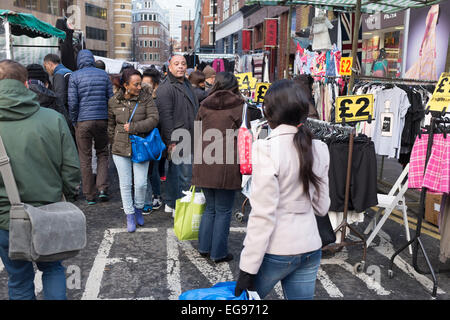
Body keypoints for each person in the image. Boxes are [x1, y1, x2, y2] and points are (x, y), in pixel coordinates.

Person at [235, 79, 331, 300]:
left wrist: (247, 269)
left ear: (268, 113)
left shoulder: (265, 148)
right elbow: (322, 207)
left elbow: (262, 214)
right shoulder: (320, 147)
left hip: (276, 250)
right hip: (310, 246)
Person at [0, 59, 81, 300]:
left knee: (18, 279)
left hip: (5, 219)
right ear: (26, 83)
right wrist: (63, 193)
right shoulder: (52, 118)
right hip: (49, 211)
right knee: (53, 269)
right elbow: (72, 169)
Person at [192, 72, 244, 263]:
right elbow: (244, 134)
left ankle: (204, 248)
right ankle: (218, 253)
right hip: (227, 162)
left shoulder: (204, 104)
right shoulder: (239, 105)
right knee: (223, 210)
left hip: (205, 160)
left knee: (210, 208)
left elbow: (196, 132)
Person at [108, 68, 159, 232]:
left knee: (141, 183)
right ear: (125, 85)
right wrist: (114, 141)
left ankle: (138, 208)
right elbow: (110, 125)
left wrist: (135, 127)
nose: (139, 87)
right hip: (120, 147)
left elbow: (154, 119)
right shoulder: (114, 101)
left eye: (140, 83)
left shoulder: (146, 99)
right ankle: (129, 215)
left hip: (141, 146)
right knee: (125, 184)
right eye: (136, 84)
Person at [68, 49, 113, 205]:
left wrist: (74, 121)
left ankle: (89, 194)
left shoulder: (74, 76)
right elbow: (111, 99)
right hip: (102, 120)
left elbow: (73, 103)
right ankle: (102, 189)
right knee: (102, 153)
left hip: (83, 121)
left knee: (85, 158)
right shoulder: (103, 75)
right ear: (92, 60)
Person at [156, 55, 199, 216]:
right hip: (178, 137)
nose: (180, 66)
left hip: (189, 133)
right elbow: (165, 117)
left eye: (183, 64)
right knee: (184, 175)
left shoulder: (186, 84)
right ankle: (181, 208)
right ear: (170, 66)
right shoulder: (166, 88)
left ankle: (171, 203)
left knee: (176, 172)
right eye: (177, 64)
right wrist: (170, 141)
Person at [142, 67, 164, 212]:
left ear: (155, 85)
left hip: (155, 139)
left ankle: (156, 196)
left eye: (146, 84)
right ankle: (147, 197)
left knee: (152, 170)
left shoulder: (160, 100)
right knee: (146, 170)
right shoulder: (141, 99)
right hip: (142, 139)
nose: (142, 86)